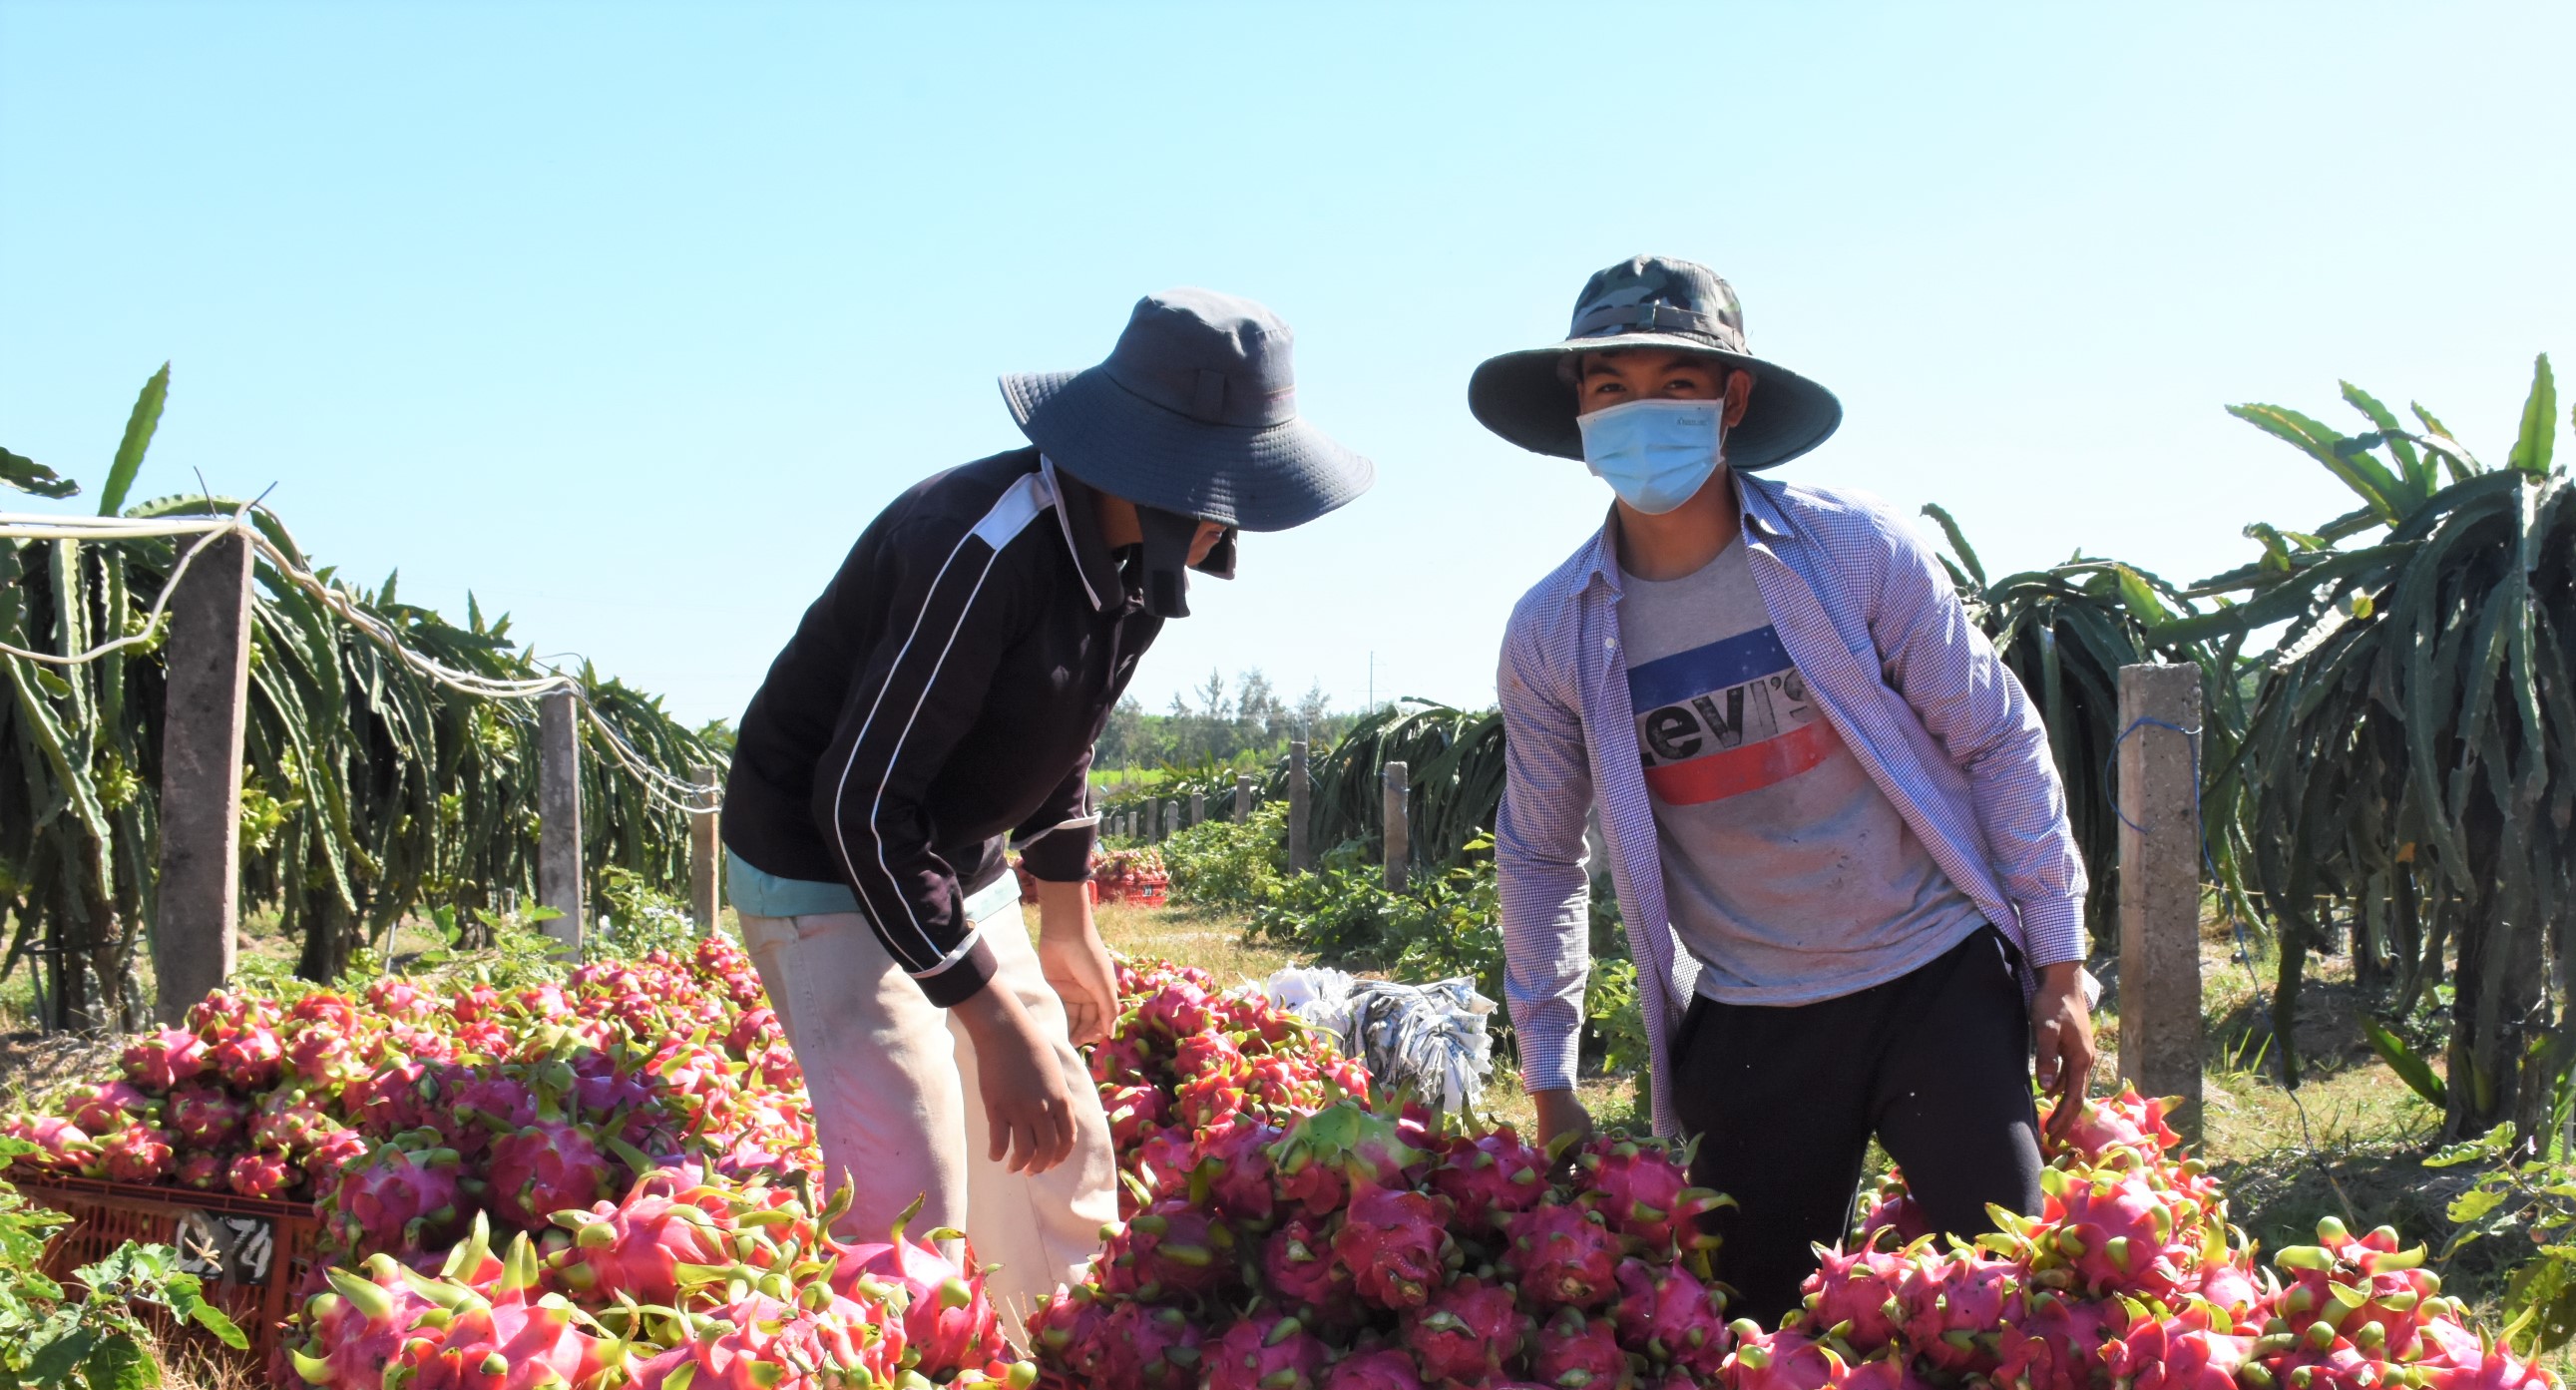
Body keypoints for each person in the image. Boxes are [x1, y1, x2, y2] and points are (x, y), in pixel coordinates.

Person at [722, 289, 1371, 1327]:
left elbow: (1062, 741)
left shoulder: (1138, 558)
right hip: (824, 862)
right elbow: (860, 805)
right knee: (910, 1181)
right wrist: (982, 1013)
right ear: (1161, 469)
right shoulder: (978, 551)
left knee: (1055, 1155)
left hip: (949, 857)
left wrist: (1066, 920)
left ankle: (1048, 1383)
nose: (1233, 522)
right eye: (1229, 492)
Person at [1471, 255, 2096, 1329]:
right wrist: (1549, 1078)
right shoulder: (1555, 631)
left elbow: (1996, 739)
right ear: (1578, 411)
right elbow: (1539, 852)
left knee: (2009, 1310)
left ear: (1733, 399)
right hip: (1753, 1011)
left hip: (1932, 974)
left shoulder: (1853, 552)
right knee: (1742, 1338)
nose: (1639, 412)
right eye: (1609, 388)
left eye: (1675, 382)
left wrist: (2060, 959)